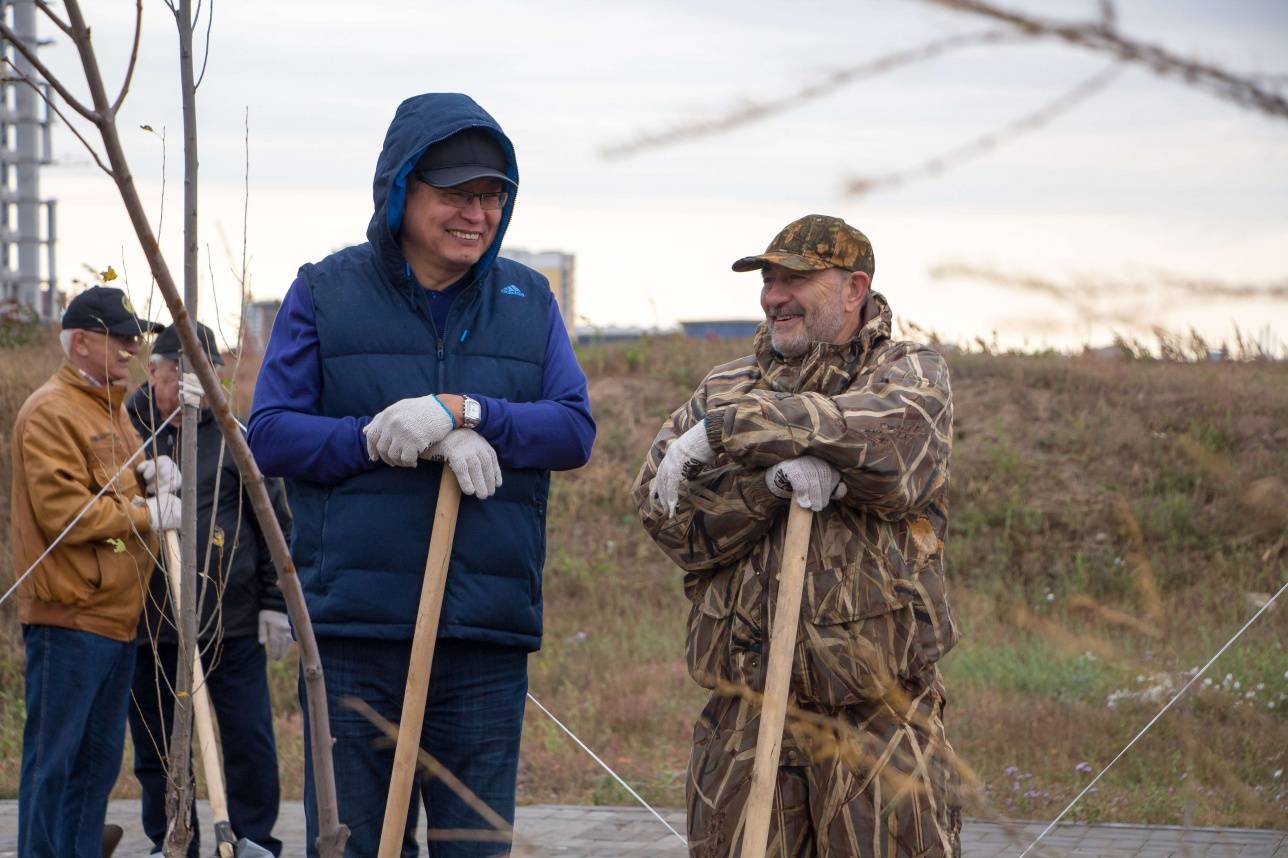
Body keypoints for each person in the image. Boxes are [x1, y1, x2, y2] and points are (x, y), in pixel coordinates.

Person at [247, 93, 595, 855]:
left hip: (481, 633)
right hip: (354, 635)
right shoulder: (326, 293)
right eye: (456, 195)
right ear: (402, 191)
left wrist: (468, 412)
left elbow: (573, 428)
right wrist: (377, 439)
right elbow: (269, 434)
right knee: (359, 845)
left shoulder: (527, 301)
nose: (478, 214)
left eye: (492, 195)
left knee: (474, 846)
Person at [633, 215, 962, 857]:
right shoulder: (725, 385)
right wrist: (767, 489)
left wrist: (734, 432)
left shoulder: (909, 375)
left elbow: (892, 452)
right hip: (744, 715)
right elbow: (666, 511)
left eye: (796, 279)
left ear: (853, 288)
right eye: (769, 279)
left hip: (876, 713)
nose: (774, 295)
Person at [11, 285, 172, 858]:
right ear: (80, 341)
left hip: (114, 621)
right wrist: (144, 512)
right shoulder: (51, 412)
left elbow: (111, 485)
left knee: (94, 770)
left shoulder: (108, 407)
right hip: (69, 619)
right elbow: (64, 513)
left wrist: (152, 473)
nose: (133, 348)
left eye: (136, 338)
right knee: (54, 766)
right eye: (120, 338)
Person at [125, 321, 291, 856]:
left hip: (232, 619)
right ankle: (173, 840)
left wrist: (274, 603)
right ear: (154, 371)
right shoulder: (124, 432)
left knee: (247, 740)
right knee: (160, 746)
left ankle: (252, 838)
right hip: (151, 621)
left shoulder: (235, 436)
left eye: (205, 373)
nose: (194, 386)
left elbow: (273, 523)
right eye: (181, 374)